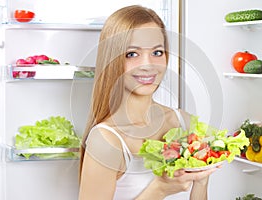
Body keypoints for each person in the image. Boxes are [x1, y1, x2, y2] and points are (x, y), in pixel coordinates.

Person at [78, 5, 218, 200]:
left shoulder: (182, 121)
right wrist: (158, 190)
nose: (148, 65)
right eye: (132, 54)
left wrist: (201, 180)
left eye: (157, 52)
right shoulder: (106, 139)